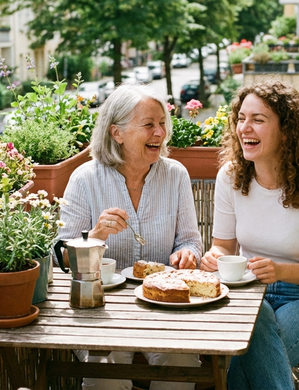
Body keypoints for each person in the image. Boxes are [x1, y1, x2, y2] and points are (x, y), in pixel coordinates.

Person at [57, 84, 203, 390]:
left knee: (182, 365)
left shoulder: (175, 175)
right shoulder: (85, 179)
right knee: (103, 374)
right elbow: (63, 261)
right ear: (117, 133)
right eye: (148, 125)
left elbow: (190, 241)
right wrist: (95, 236)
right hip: (103, 311)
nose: (159, 133)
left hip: (163, 308)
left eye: (162, 123)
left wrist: (187, 254)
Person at [199, 80, 299, 389]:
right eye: (241, 119)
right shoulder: (231, 177)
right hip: (249, 295)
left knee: (246, 359)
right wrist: (215, 258)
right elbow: (222, 246)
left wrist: (278, 271)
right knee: (257, 315)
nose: (244, 128)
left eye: (258, 120)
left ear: (287, 130)